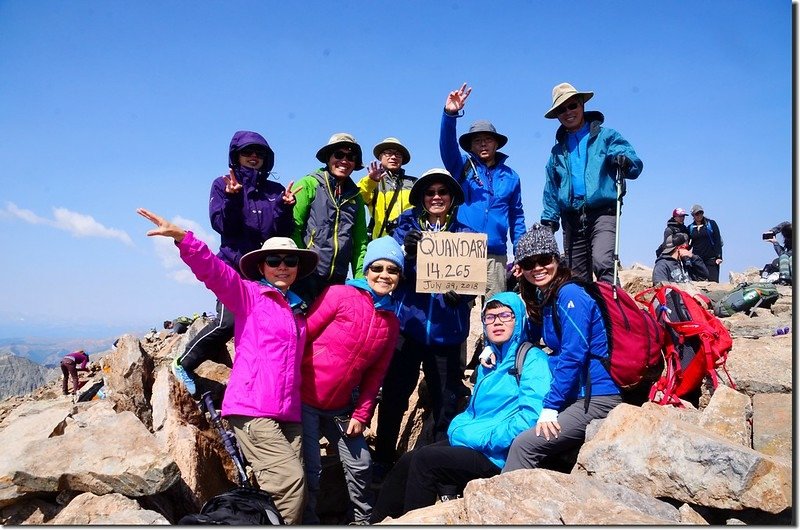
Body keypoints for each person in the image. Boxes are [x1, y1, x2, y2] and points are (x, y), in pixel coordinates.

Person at [137, 207, 317, 525]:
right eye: (274, 261)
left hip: (289, 412)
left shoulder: (297, 311)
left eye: (290, 261)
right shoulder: (249, 296)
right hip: (253, 407)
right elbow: (215, 273)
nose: (283, 266)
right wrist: (184, 239)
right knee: (290, 482)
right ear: (262, 266)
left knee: (278, 486)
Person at [370, 293, 552, 522]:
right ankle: (375, 522)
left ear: (519, 320)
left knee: (425, 462)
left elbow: (530, 418)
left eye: (506, 315)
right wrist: (462, 427)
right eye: (490, 317)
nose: (497, 322)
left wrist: (484, 438)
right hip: (475, 440)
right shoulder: (491, 360)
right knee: (408, 459)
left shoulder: (532, 360)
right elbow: (475, 411)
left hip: (496, 454)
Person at [172, 131, 296, 397]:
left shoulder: (275, 191)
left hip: (265, 271)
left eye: (259, 153)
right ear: (236, 156)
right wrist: (232, 198)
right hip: (232, 267)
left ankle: (254, 381)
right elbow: (222, 226)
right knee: (227, 322)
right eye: (247, 152)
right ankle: (183, 363)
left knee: (258, 329)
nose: (253, 157)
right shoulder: (223, 184)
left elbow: (281, 234)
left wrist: (286, 209)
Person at [373, 168, 474, 476]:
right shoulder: (404, 228)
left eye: (443, 192)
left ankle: (440, 462)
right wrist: (406, 251)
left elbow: (475, 282)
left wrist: (465, 296)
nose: (436, 197)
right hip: (408, 328)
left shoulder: (467, 236)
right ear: (421, 198)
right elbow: (385, 272)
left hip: (447, 332)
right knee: (394, 394)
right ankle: (383, 458)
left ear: (453, 198)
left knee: (446, 399)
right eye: (430, 192)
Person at [502, 223, 622, 473]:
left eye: (544, 259)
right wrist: (495, 347)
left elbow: (573, 355)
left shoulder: (570, 295)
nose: (537, 268)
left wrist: (551, 406)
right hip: (575, 393)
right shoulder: (547, 296)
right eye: (528, 264)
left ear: (557, 259)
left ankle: (505, 509)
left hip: (596, 396)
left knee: (524, 445)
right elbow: (530, 339)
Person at [300, 236, 403, 525]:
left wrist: (361, 414)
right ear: (366, 270)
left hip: (341, 407)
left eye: (392, 270)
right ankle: (307, 522)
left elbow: (375, 376)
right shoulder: (338, 295)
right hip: (305, 399)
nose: (384, 275)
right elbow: (303, 335)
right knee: (311, 470)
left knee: (361, 463)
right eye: (378, 268)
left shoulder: (391, 322)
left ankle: (361, 521)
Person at [540, 82, 643, 284]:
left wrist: (623, 159)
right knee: (575, 277)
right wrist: (549, 220)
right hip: (571, 218)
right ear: (557, 115)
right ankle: (586, 315)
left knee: (603, 262)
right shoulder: (557, 152)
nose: (568, 112)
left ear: (582, 106)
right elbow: (551, 188)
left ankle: (614, 314)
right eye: (562, 109)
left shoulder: (607, 136)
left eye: (572, 106)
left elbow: (633, 163)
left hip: (603, 212)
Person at [439, 83, 526, 297]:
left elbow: (517, 218)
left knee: (495, 311)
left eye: (488, 139)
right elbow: (447, 146)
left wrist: (521, 255)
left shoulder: (511, 176)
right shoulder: (461, 166)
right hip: (463, 251)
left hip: (496, 255)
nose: (483, 144)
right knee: (458, 312)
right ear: (470, 146)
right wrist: (450, 115)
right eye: (478, 141)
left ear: (497, 144)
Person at [292, 133, 369, 304]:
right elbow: (294, 229)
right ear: (328, 158)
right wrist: (298, 268)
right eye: (339, 155)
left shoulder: (356, 198)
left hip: (338, 282)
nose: (344, 160)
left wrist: (361, 280)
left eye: (350, 157)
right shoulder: (307, 185)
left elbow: (360, 243)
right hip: (305, 278)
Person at [358, 137, 417, 240]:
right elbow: (357, 198)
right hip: (382, 244)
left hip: (409, 243)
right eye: (388, 153)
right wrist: (371, 181)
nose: (393, 157)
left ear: (402, 159)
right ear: (380, 157)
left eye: (398, 154)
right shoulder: (373, 183)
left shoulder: (414, 183)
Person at [688, 204, 724, 282]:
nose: (699, 215)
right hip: (697, 259)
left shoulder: (711, 224)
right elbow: (688, 244)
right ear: (693, 215)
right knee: (698, 283)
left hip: (711, 258)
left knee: (713, 282)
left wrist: (719, 256)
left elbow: (717, 240)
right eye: (697, 213)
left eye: (701, 213)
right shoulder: (690, 228)